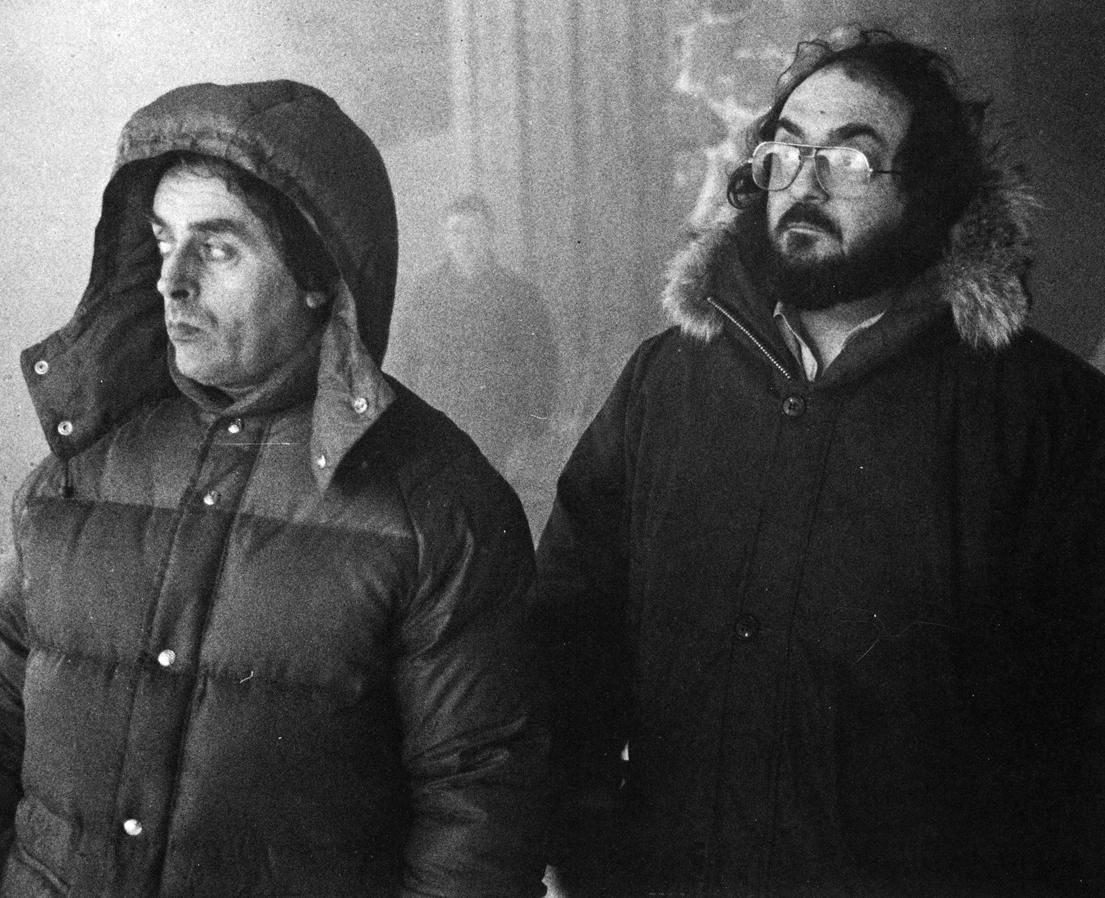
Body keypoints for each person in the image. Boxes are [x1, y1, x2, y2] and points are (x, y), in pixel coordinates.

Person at [537, 27, 1105, 897]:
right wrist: (587, 856)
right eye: (786, 151)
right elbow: (566, 646)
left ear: (929, 192)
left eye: (848, 159)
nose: (803, 184)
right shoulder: (665, 382)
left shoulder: (1044, 416)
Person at [0, 80, 548, 897]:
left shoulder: (439, 506)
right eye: (162, 239)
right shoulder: (78, 471)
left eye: (217, 249)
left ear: (319, 273)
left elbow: (477, 814)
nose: (171, 282)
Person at [388, 195, 558, 498]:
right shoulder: (424, 295)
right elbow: (404, 362)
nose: (465, 241)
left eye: (474, 231)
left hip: (499, 429)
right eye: (456, 231)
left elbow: (540, 365)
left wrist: (531, 434)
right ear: (445, 237)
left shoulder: (519, 296)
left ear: (490, 235)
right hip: (437, 426)